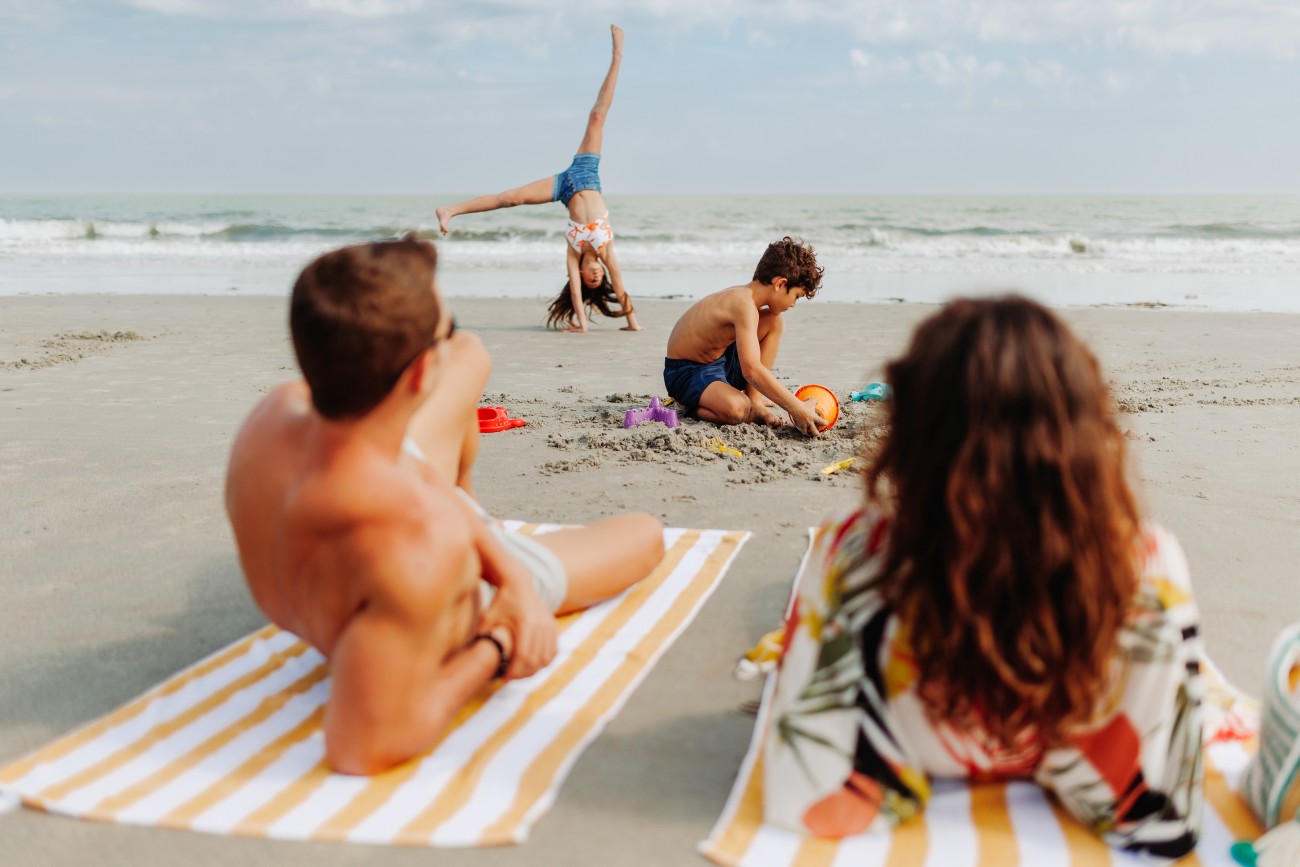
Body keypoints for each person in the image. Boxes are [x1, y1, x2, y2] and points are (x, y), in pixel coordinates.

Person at [760, 296, 1205, 860]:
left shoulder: (855, 549)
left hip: (913, 749)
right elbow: (1162, 779)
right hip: (1081, 755)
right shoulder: (1145, 561)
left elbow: (806, 774)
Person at [224, 236, 664, 775]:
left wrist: (512, 576)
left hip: (363, 466)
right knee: (644, 535)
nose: (448, 343)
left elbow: (409, 469)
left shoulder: (272, 417)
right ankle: (502, 550)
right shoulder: (417, 547)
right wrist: (498, 646)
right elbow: (361, 745)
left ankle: (480, 511)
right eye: (444, 331)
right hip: (434, 566)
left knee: (472, 353)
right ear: (417, 375)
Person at [436, 25, 641, 333]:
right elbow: (621, 284)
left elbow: (574, 292)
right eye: (600, 278)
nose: (597, 277)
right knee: (597, 117)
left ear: (586, 278)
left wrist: (582, 325)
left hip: (564, 188)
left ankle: (451, 209)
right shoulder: (606, 252)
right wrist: (633, 324)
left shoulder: (573, 254)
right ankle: (618, 55)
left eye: (592, 280)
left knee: (510, 199)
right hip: (586, 175)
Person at [663, 236, 825, 436]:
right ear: (780, 284)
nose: (793, 304)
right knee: (738, 409)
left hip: (719, 359)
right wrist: (797, 408)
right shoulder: (742, 303)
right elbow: (752, 371)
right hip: (687, 371)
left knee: (774, 321)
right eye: (796, 296)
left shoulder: (750, 301)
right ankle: (688, 404)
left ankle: (754, 401)